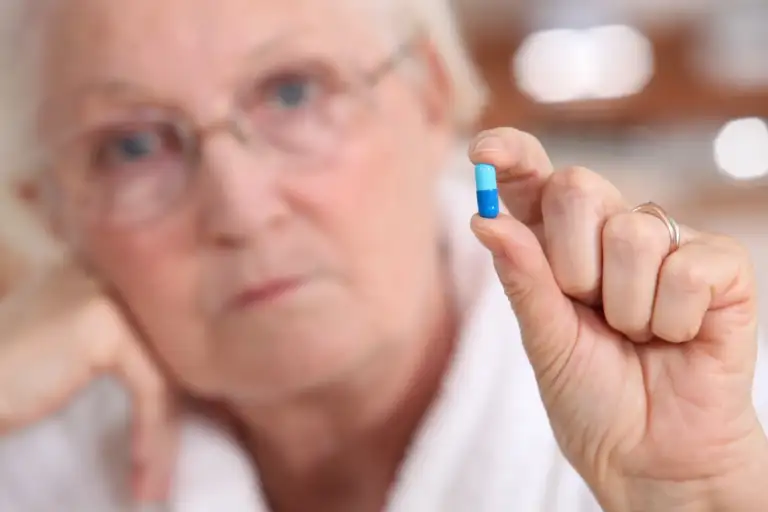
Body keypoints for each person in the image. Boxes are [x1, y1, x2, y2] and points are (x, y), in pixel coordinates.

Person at [0, 0, 766, 510]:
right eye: (132, 146)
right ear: (52, 213)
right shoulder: (33, 459)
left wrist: (698, 499)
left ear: (431, 94)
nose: (242, 209)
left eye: (293, 93)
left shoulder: (721, 416)